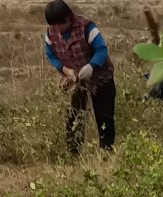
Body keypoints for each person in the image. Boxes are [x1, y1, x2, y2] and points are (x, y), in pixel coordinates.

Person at [43, 0, 115, 154]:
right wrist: (65, 70)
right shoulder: (51, 33)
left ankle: (106, 151)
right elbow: (50, 55)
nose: (56, 29)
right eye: (52, 25)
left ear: (68, 19)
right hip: (76, 82)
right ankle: (73, 152)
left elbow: (101, 50)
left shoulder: (87, 27)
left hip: (101, 79)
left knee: (104, 116)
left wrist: (91, 66)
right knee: (74, 116)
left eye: (58, 25)